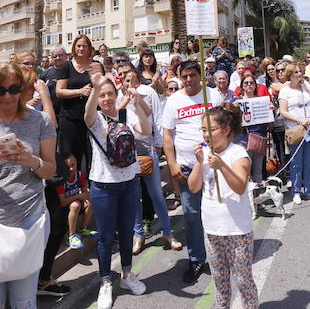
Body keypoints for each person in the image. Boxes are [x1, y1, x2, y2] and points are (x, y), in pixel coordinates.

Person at [0, 63, 57, 308]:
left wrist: (30, 160)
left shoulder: (40, 121)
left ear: (23, 90)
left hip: (29, 222)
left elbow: (50, 169)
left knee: (24, 302)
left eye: (13, 89)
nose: (7, 96)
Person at [84, 72, 148, 308]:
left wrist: (137, 103)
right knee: (105, 237)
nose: (107, 98)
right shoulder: (96, 120)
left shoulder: (124, 114)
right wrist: (95, 86)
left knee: (126, 232)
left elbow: (145, 128)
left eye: (111, 93)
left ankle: (127, 275)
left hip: (130, 183)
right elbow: (86, 114)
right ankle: (105, 282)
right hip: (103, 186)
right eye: (103, 95)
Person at [188, 104, 258, 309]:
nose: (206, 135)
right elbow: (193, 187)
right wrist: (200, 162)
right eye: (203, 130)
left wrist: (221, 166)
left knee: (244, 282)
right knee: (220, 284)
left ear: (226, 130)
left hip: (237, 231)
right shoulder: (205, 153)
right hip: (212, 229)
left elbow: (239, 186)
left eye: (210, 129)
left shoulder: (238, 153)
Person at [161, 60, 224, 284]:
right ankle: (197, 258)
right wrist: (172, 164)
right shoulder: (173, 101)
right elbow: (167, 135)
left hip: (214, 165)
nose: (188, 80)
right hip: (187, 167)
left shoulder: (213, 96)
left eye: (192, 75)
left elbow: (224, 128)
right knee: (192, 215)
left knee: (217, 211)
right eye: (184, 76)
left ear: (200, 75)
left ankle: (219, 255)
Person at [116, 63, 182, 255]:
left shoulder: (147, 93)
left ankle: (168, 233)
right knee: (134, 197)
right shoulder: (118, 97)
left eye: (133, 79)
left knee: (156, 195)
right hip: (127, 154)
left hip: (148, 150)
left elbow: (155, 117)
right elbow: (115, 119)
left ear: (138, 78)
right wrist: (125, 100)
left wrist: (160, 144)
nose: (129, 83)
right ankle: (138, 234)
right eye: (126, 79)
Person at [279, 63, 310, 203]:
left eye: (300, 72)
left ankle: (309, 190)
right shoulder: (285, 91)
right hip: (296, 130)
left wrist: (305, 83)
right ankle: (296, 191)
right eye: (296, 72)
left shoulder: (305, 87)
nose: (299, 74)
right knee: (297, 162)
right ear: (290, 75)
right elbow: (283, 112)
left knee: (309, 161)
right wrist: (299, 120)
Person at [56, 35, 95, 175]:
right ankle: (72, 189)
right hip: (70, 118)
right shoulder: (66, 66)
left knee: (91, 154)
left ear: (89, 48)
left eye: (84, 46)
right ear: (74, 47)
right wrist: (80, 91)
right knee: (71, 157)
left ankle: (90, 187)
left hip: (91, 118)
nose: (81, 48)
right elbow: (59, 91)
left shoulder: (95, 66)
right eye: (78, 45)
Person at [237, 72, 270, 184]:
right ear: (242, 86)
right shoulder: (237, 101)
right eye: (246, 83)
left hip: (259, 138)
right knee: (245, 169)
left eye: (252, 83)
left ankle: (258, 197)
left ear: (255, 85)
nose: (249, 85)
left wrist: (271, 110)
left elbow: (270, 123)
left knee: (258, 170)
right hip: (243, 139)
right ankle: (247, 197)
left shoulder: (262, 101)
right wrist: (234, 109)